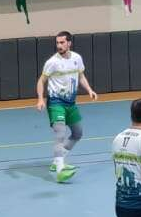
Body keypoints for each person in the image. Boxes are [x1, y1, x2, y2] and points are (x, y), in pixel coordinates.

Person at [36, 31, 98, 183]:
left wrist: (89, 90)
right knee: (60, 133)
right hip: (56, 102)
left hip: (71, 103)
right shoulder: (52, 62)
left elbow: (81, 76)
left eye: (62, 42)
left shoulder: (77, 58)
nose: (59, 45)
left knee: (77, 133)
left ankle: (58, 160)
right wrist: (40, 99)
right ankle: (60, 171)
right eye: (57, 43)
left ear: (69, 43)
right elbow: (41, 81)